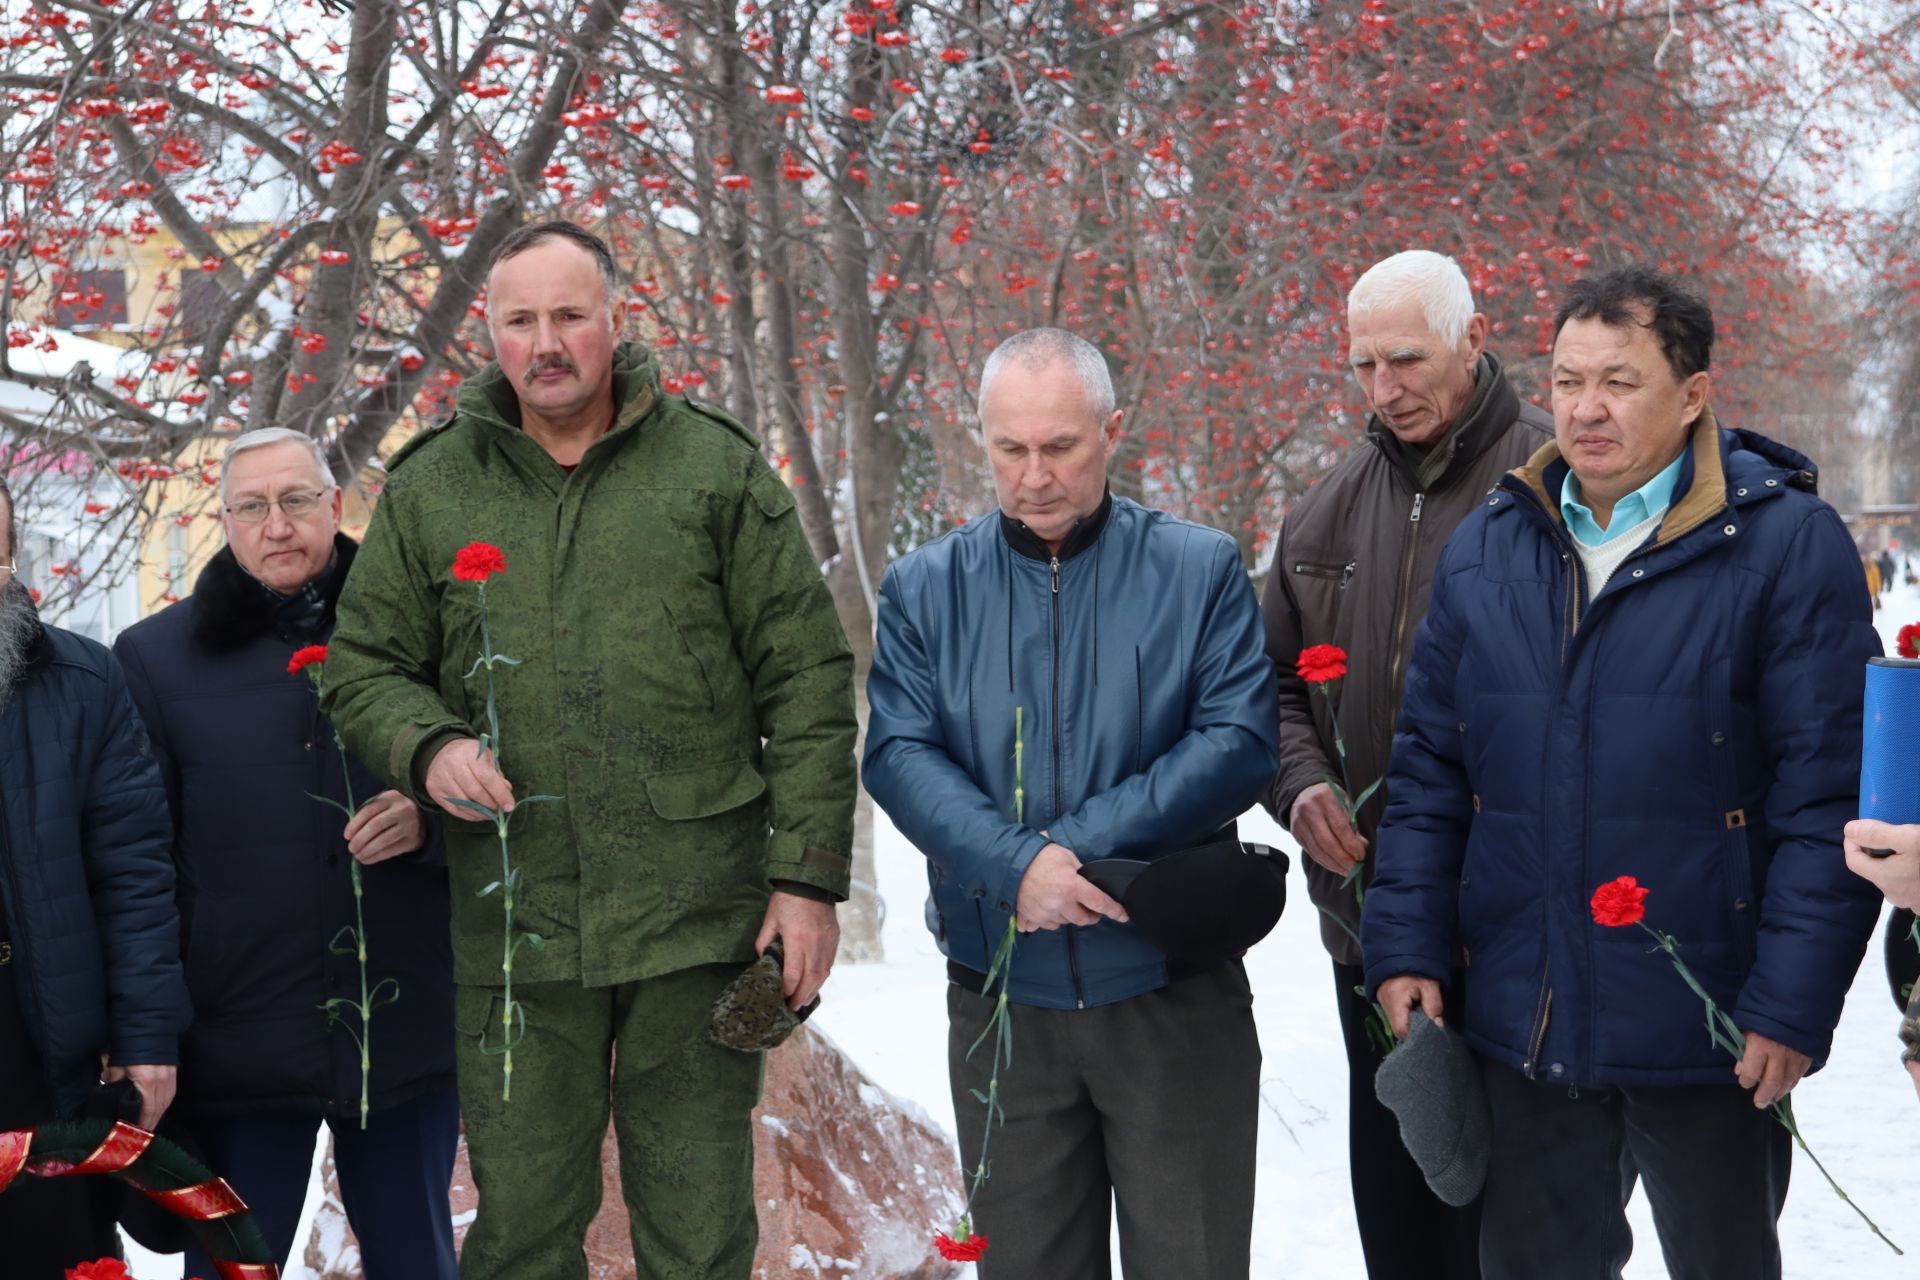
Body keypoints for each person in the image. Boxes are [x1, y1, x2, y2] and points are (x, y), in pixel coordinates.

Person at [319, 220, 858, 1279]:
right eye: (520, 320)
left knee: (700, 1231)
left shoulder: (713, 470)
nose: (546, 341)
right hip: (516, 925)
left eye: (570, 314)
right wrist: (427, 749)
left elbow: (807, 676)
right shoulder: (434, 486)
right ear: (492, 330)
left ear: (617, 319)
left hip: (695, 923)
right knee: (520, 1234)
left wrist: (805, 879)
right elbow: (362, 665)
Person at [1362, 266, 1881, 1278]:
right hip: (1528, 1018)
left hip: (1712, 1028)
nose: (1586, 407)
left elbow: (1830, 794)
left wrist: (1790, 1001)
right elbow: (1428, 770)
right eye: (1567, 379)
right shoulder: (1491, 548)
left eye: (1620, 380)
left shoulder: (1784, 545)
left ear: (1693, 393)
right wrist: (1405, 942)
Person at [863, 327, 1280, 1279]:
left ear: (1113, 430)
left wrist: (1063, 855)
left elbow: (1239, 742)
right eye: (1010, 448)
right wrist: (1015, 870)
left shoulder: (1198, 569)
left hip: (1168, 989)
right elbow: (897, 752)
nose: (1034, 475)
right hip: (1003, 1000)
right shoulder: (927, 588)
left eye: (1060, 446)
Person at [1261, 249, 1549, 1279]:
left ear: (1475, 337)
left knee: (1514, 1216)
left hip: (1523, 932)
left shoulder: (1552, 479)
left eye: (1407, 358)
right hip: (1371, 919)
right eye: (1365, 363)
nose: (1385, 387)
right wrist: (1299, 786)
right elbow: (1273, 680)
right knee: (1399, 1199)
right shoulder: (1328, 503)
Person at [113, 428, 458, 1280]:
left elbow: (502, 784)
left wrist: (432, 820)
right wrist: (144, 1028)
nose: (278, 525)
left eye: (298, 500)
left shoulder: (423, 630)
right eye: (253, 506)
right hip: (239, 1046)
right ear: (224, 522)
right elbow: (136, 864)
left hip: (400, 1035)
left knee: (419, 1263)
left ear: (335, 507)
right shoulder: (154, 660)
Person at [0, 476, 190, 1276]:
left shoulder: (81, 679)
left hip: (40, 1045)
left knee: (49, 1253)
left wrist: (145, 1038)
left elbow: (136, 872)